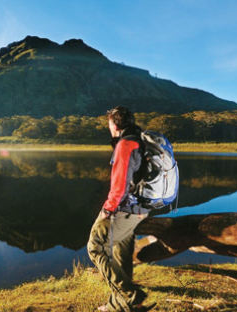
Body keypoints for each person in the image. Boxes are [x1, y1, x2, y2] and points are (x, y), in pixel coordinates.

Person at [87, 106, 154, 312]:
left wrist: (108, 210)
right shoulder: (141, 141)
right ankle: (119, 305)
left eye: (109, 124)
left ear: (114, 125)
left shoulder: (126, 144)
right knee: (120, 251)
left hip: (123, 208)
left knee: (96, 247)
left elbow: (120, 184)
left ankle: (130, 296)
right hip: (141, 208)